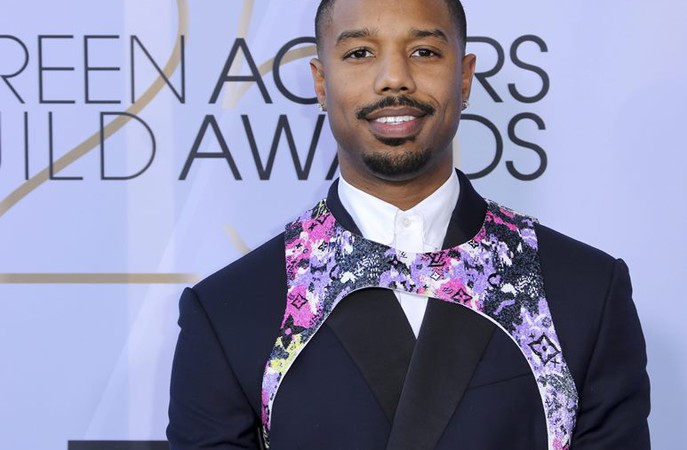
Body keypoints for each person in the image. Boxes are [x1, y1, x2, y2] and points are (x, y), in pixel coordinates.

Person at [167, 0, 651, 448]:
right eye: (359, 52)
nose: (394, 78)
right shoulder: (229, 314)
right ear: (320, 82)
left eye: (424, 51)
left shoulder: (586, 291)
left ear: (463, 78)